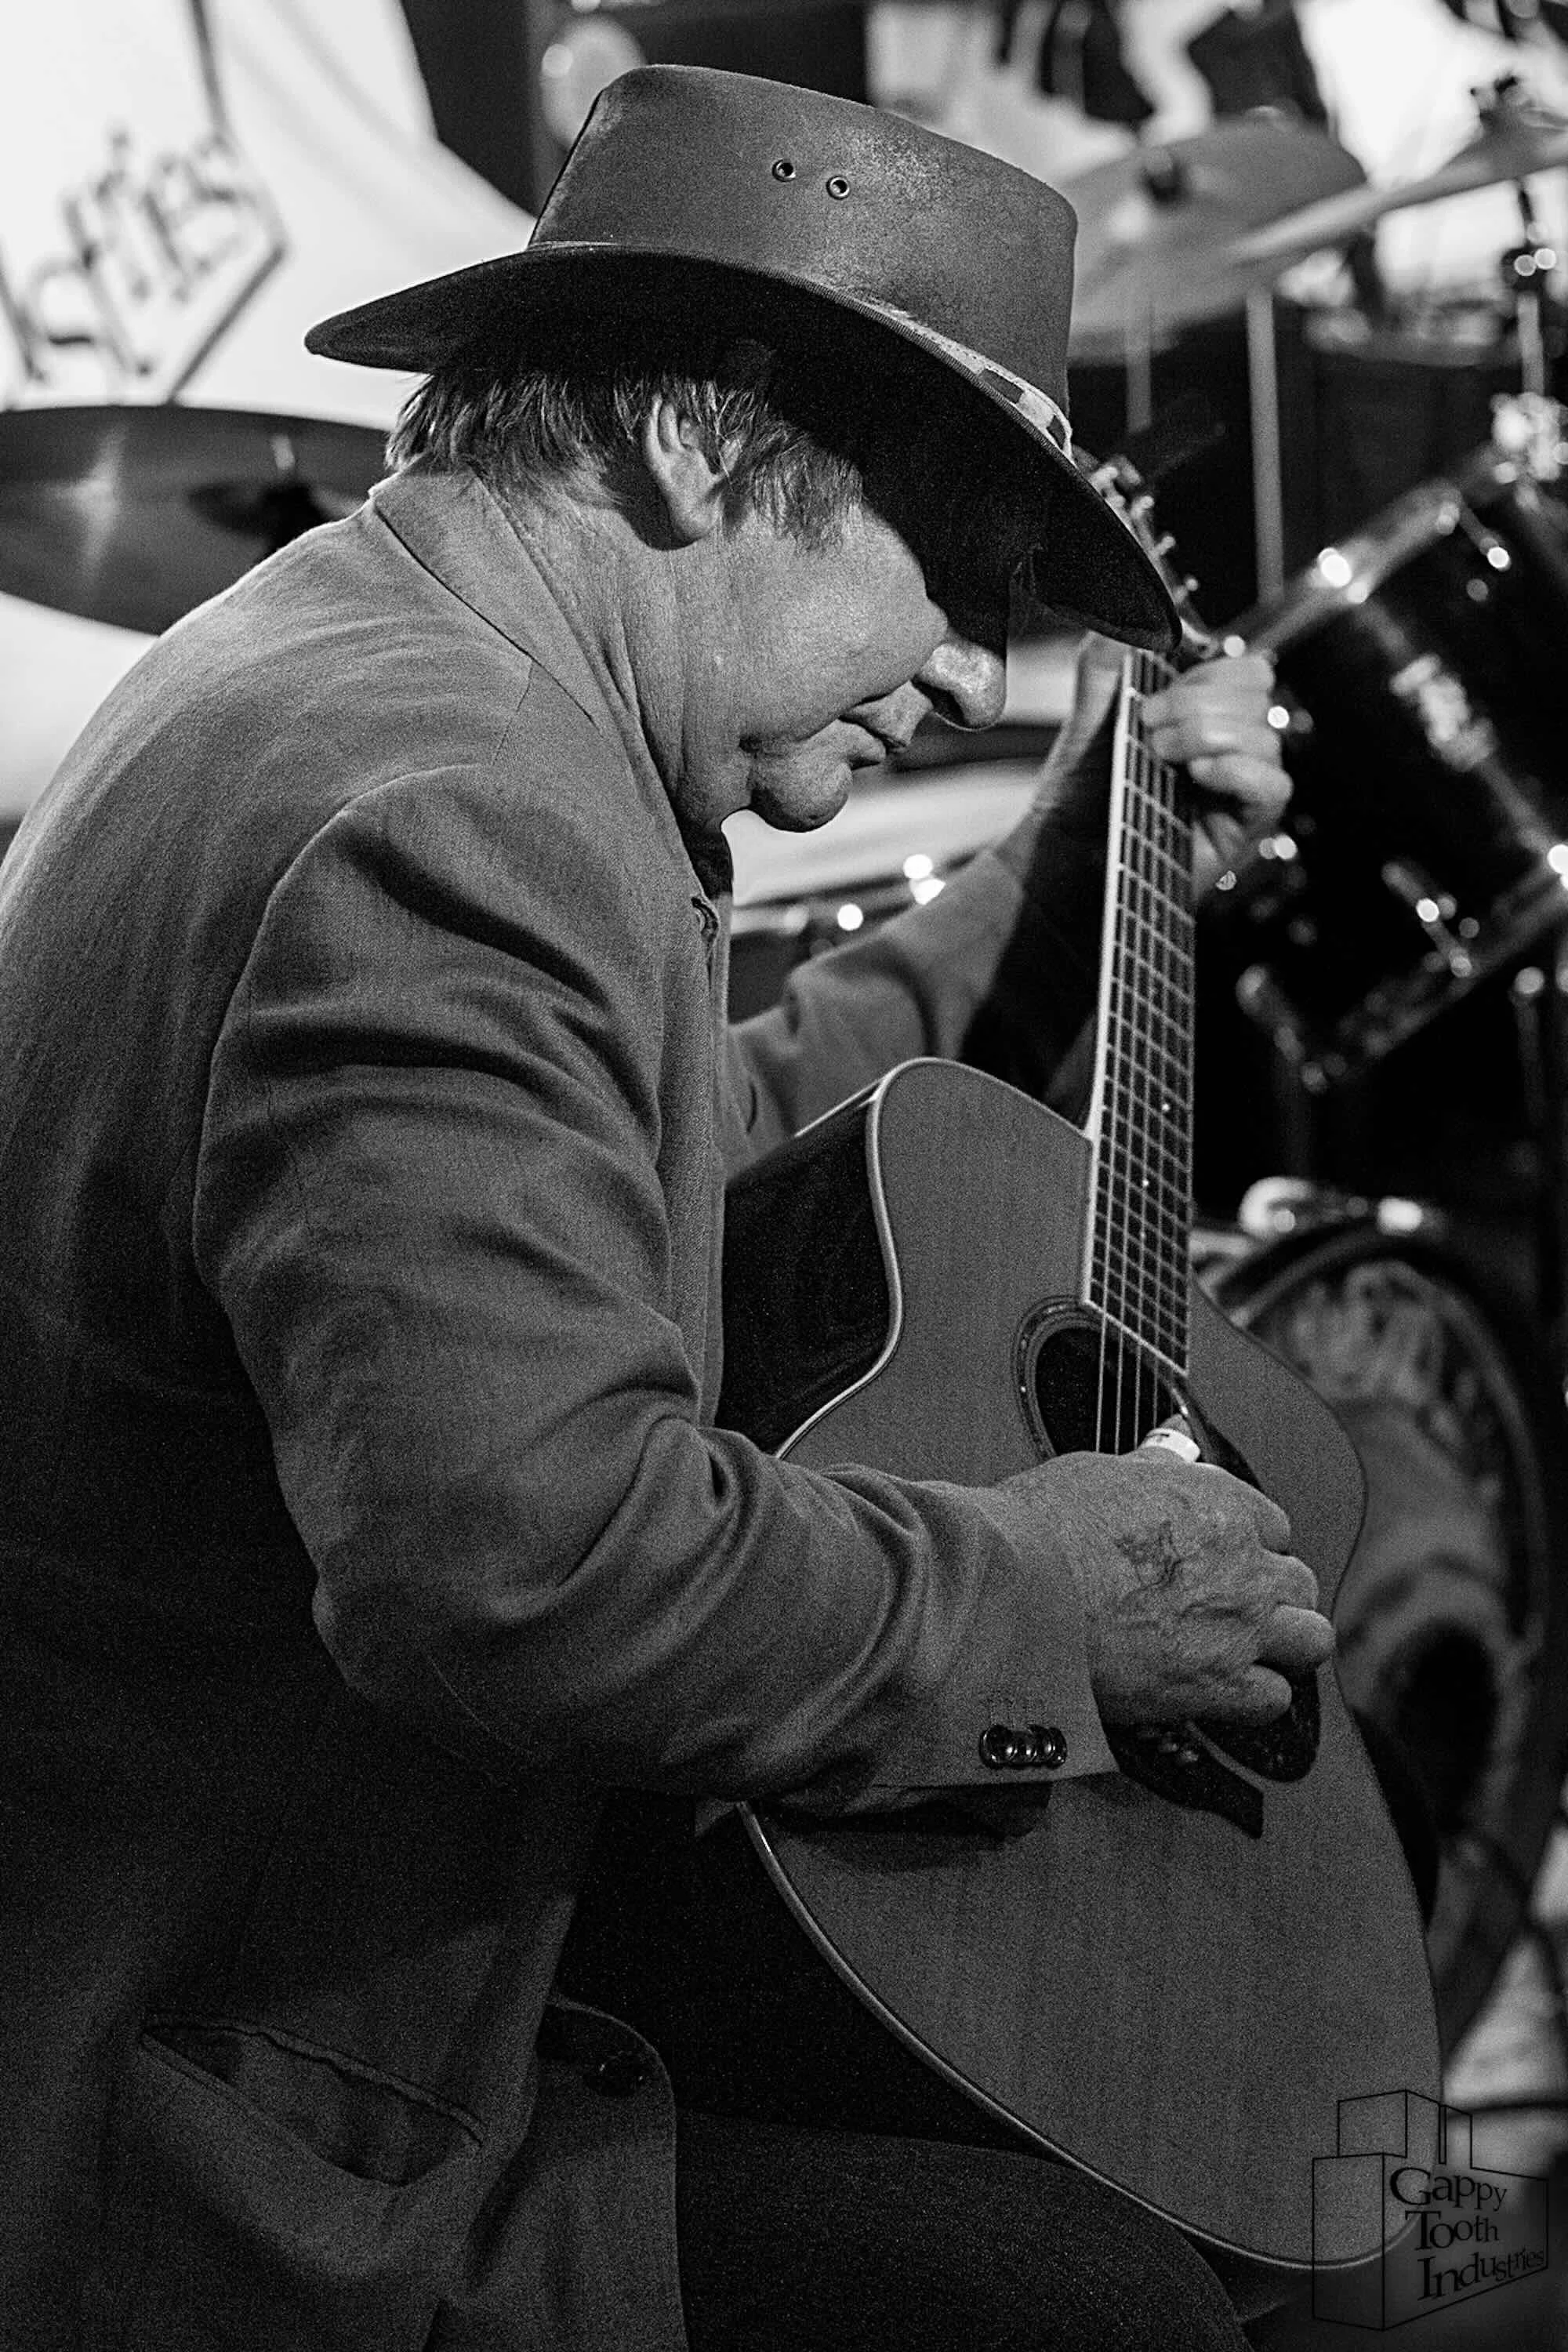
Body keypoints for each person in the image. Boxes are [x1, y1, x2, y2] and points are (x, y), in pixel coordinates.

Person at [0, 64, 1331, 2352]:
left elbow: (709, 1136)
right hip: (214, 2137)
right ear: (707, 447)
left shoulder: (388, 665)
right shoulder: (450, 808)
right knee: (1103, 2298)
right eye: (953, 564)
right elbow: (522, 1570)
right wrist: (1046, 1607)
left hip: (277, 1955)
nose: (969, 670)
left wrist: (1069, 863)